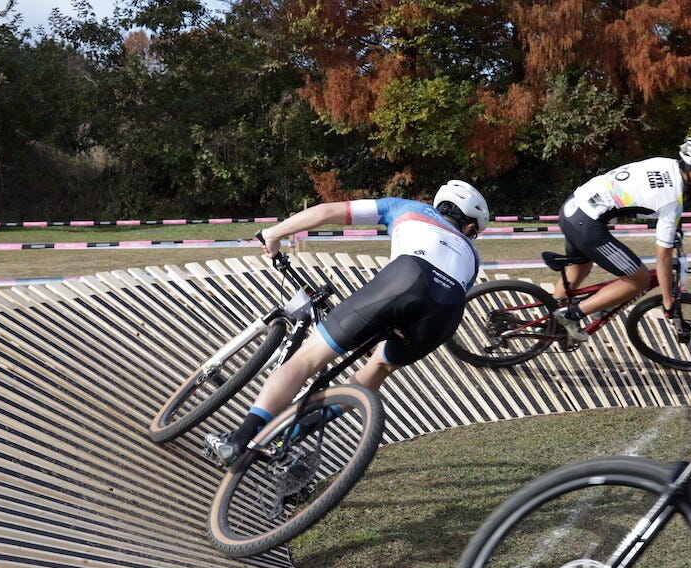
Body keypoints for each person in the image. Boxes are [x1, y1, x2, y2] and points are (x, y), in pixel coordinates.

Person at [204, 180, 489, 466]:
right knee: (380, 366)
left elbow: (327, 212)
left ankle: (238, 440)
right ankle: (297, 430)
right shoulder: (472, 256)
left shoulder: (407, 207)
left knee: (306, 360)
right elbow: (432, 297)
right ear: (469, 226)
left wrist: (273, 233)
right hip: (446, 314)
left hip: (405, 279)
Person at [549, 137, 691, 342]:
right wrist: (668, 301)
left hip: (573, 207)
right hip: (587, 223)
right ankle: (571, 315)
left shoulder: (664, 163)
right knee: (639, 278)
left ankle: (551, 326)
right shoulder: (672, 200)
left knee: (578, 269)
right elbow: (663, 257)